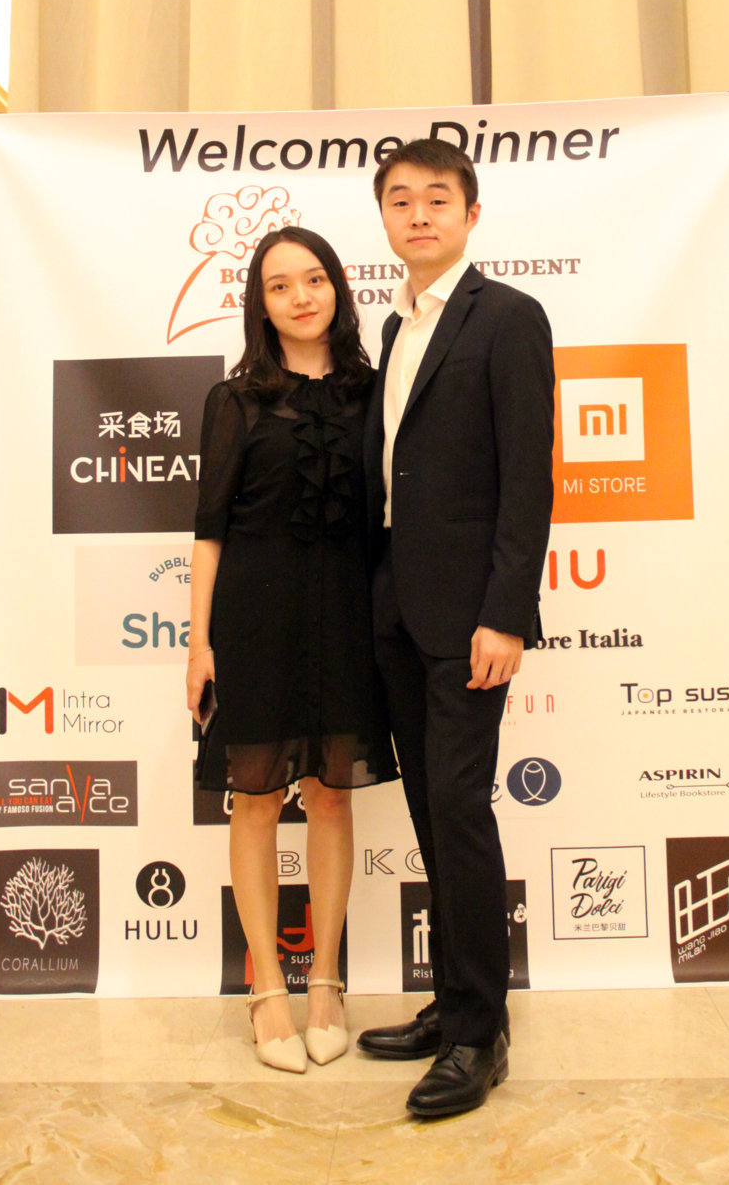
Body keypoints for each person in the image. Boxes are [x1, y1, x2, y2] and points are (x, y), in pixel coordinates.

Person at [357, 138, 555, 1118]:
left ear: (471, 215)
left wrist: (505, 613)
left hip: (470, 612)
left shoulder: (507, 317)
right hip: (395, 603)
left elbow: (528, 475)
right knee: (433, 813)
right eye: (400, 200)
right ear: (384, 220)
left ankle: (481, 1034)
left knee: (461, 808)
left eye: (437, 198)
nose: (418, 214)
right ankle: (453, 1001)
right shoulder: (394, 325)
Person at [187, 226, 398, 1074]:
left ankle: (327, 984)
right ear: (260, 304)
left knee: (333, 797)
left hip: (348, 614)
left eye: (314, 279)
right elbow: (208, 530)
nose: (301, 296)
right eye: (280, 285)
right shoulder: (233, 400)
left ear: (338, 288)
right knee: (256, 801)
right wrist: (198, 642)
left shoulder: (375, 392)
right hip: (255, 618)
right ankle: (268, 987)